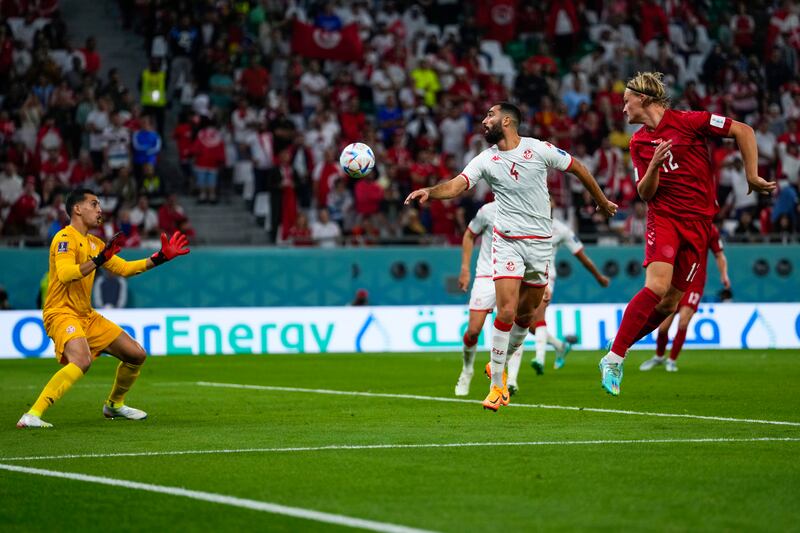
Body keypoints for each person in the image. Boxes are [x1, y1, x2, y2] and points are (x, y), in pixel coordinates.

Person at [406, 102, 617, 411]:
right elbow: (457, 185)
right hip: (507, 244)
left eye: (489, 115)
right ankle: (496, 388)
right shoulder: (486, 159)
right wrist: (431, 191)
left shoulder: (539, 150)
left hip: (540, 245)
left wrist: (601, 200)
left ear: (507, 121)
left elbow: (578, 168)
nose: (483, 119)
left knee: (526, 317)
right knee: (505, 312)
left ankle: (498, 364)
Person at [599, 72, 775, 396]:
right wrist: (652, 167)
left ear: (644, 99)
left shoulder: (691, 122)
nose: (622, 109)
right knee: (657, 286)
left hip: (699, 225)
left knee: (668, 306)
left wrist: (752, 174)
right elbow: (645, 193)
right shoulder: (639, 142)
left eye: (626, 101)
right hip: (664, 218)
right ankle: (614, 357)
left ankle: (621, 341)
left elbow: (743, 130)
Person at [16, 188, 190, 428]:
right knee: (82, 359)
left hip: (86, 315)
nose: (100, 210)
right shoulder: (64, 238)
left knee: (136, 354)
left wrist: (159, 257)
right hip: (61, 312)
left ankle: (114, 405)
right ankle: (32, 414)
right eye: (94, 204)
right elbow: (66, 275)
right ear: (77, 209)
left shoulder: (95, 244)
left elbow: (126, 269)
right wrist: (98, 260)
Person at [525, 215, 609, 377]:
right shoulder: (527, 222)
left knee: (539, 313)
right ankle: (560, 346)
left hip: (547, 276)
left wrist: (598, 276)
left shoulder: (561, 230)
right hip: (526, 276)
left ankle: (539, 358)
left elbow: (581, 256)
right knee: (528, 324)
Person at [640, 224, 730, 372]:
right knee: (663, 327)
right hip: (674, 281)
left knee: (683, 322)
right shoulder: (678, 223)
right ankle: (659, 356)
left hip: (694, 283)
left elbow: (719, 254)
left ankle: (672, 360)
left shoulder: (710, 229)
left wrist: (724, 275)